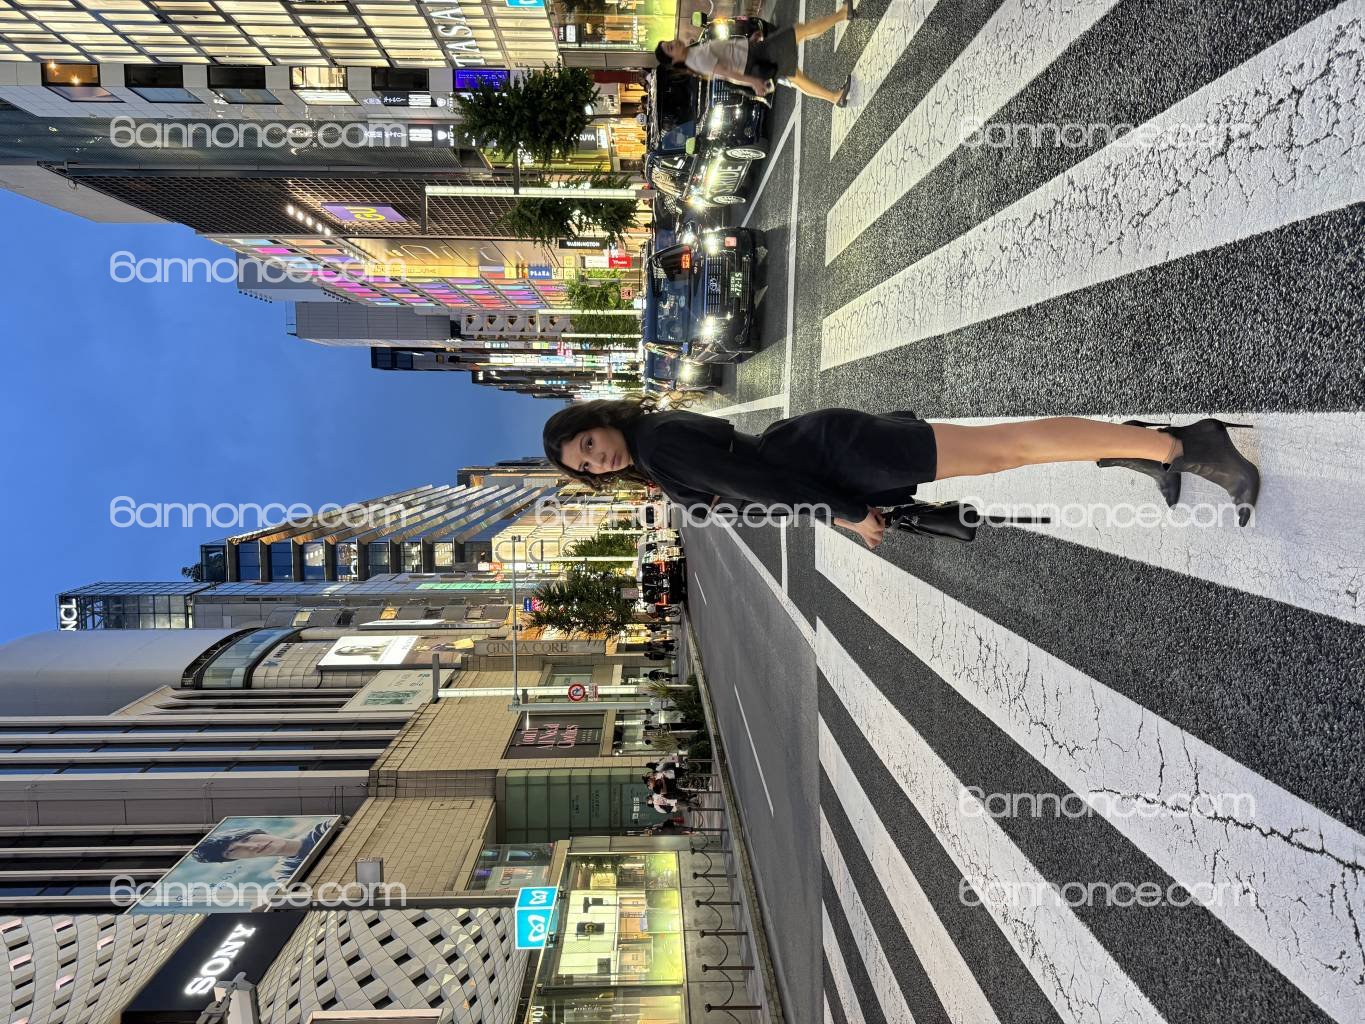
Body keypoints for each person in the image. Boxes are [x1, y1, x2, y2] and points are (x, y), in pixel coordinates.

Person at [542, 400, 1261, 550]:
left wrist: (847, 514)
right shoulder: (652, 450)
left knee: (1008, 447)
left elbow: (766, 487)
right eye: (586, 464)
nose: (597, 458)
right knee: (1006, 451)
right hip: (832, 455)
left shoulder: (659, 446)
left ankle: (1185, 443)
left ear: (598, 421)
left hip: (839, 459)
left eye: (589, 443)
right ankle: (1145, 447)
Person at [655, 2, 856, 107]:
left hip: (753, 53)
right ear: (674, 60)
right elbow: (725, 71)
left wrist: (749, 42)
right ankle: (842, 14)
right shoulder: (695, 59)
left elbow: (727, 54)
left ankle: (834, 97)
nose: (674, 43)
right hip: (753, 61)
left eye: (670, 42)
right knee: (797, 34)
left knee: (796, 71)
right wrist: (753, 82)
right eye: (670, 48)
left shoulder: (693, 52)